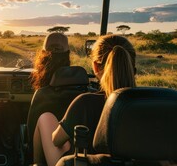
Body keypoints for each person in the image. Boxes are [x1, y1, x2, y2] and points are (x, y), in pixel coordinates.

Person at [33, 35, 136, 166]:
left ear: (95, 67)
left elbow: (56, 140)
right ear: (132, 67)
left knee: (45, 118)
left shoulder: (85, 103)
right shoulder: (151, 104)